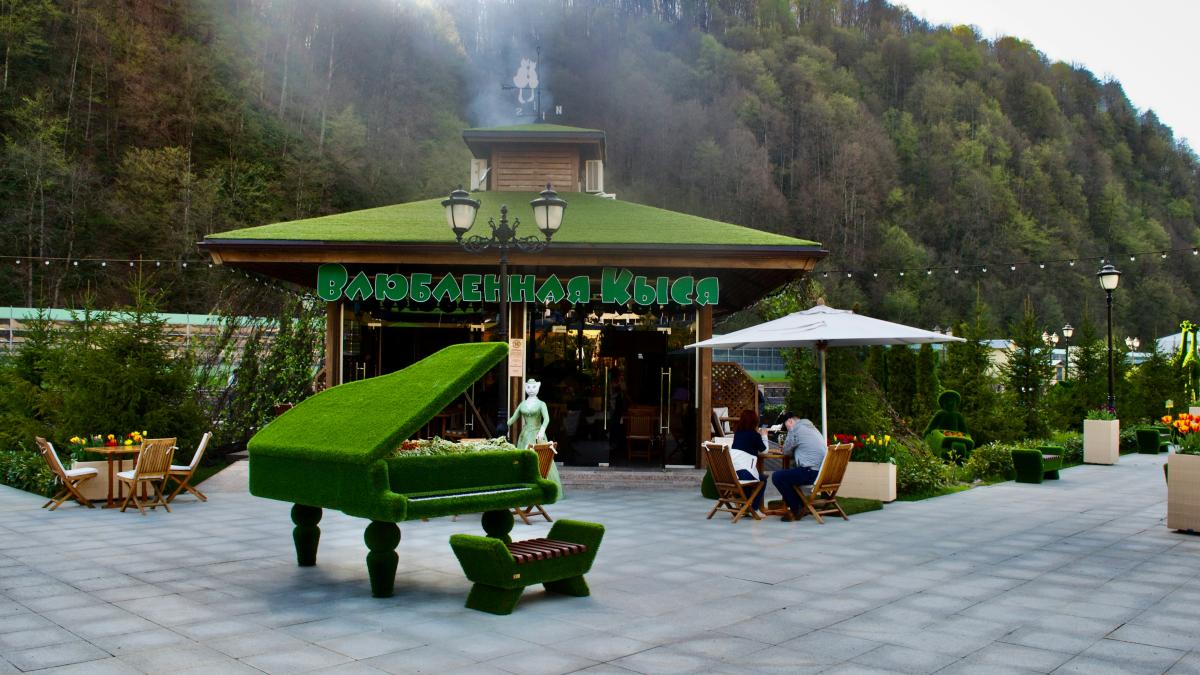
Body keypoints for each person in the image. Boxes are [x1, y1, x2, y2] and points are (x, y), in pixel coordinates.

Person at [507, 379, 563, 495]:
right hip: (525, 435)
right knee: (525, 459)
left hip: (538, 435)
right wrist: (505, 424)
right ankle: (524, 488)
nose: (531, 390)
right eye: (529, 387)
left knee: (542, 459)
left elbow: (547, 419)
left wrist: (542, 430)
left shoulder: (541, 404)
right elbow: (513, 418)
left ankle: (543, 488)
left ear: (538, 388)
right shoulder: (522, 404)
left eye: (534, 387)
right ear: (525, 388)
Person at [770, 412, 826, 519]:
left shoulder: (796, 429)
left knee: (778, 477)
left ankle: (796, 509)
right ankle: (802, 506)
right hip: (822, 473)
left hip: (811, 472)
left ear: (790, 421)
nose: (787, 429)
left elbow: (786, 451)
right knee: (789, 476)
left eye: (786, 426)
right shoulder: (812, 428)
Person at [729, 409, 767, 512]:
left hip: (732, 473)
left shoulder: (738, 434)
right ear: (755, 421)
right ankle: (754, 509)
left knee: (750, 480)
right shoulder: (755, 436)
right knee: (762, 479)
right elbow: (764, 451)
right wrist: (764, 435)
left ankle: (746, 507)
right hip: (744, 474)